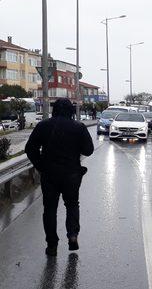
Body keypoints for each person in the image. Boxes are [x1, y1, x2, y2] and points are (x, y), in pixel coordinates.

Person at [25, 99, 94, 256]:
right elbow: (89, 150)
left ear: (54, 110)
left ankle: (52, 245)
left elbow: (30, 148)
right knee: (72, 205)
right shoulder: (79, 127)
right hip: (72, 174)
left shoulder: (43, 126)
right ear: (70, 110)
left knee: (49, 209)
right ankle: (72, 235)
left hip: (49, 174)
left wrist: (40, 165)